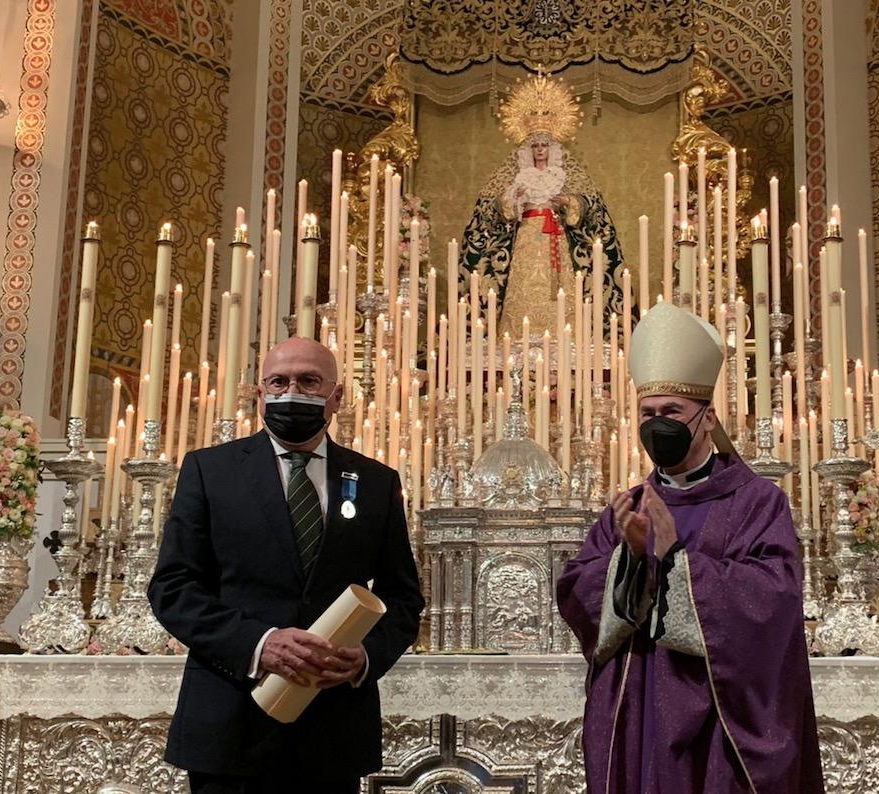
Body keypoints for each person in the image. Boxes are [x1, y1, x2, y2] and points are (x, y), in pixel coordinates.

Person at [557, 302, 824, 793]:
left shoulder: (758, 502)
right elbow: (577, 591)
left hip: (721, 719)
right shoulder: (629, 506)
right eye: (648, 413)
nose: (658, 424)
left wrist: (678, 560)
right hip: (637, 707)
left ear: (707, 418)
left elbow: (775, 599)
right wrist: (630, 560)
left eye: (672, 412)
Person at [148, 337, 425, 793]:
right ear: (260, 393)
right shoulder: (209, 471)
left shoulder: (375, 482)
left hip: (332, 729)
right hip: (230, 722)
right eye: (279, 381)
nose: (291, 391)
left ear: (336, 397)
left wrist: (366, 657)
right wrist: (260, 644)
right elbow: (173, 587)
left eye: (309, 381)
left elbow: (403, 596)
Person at [460, 71, 624, 339]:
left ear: (552, 149)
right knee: (524, 283)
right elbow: (498, 209)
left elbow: (588, 207)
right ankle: (516, 337)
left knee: (559, 284)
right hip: (526, 235)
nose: (539, 150)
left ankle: (567, 337)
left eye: (544, 146)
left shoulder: (564, 174)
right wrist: (513, 199)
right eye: (535, 145)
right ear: (528, 149)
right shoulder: (519, 175)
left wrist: (569, 202)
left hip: (556, 236)